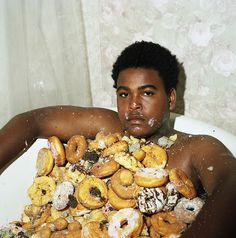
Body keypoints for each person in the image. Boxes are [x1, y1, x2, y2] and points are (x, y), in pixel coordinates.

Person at [0, 41, 236, 237]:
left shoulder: (194, 148)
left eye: (147, 92)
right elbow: (34, 119)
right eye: (124, 94)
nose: (133, 104)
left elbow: (230, 185)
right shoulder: (109, 127)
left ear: (171, 98)